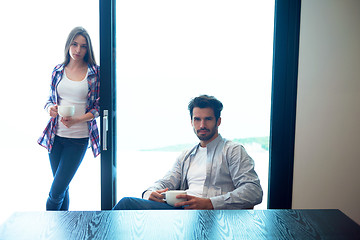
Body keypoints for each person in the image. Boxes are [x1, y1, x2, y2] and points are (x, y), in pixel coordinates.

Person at [113, 95, 263, 210]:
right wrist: (149, 193)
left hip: (216, 216)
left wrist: (210, 203)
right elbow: (166, 182)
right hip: (182, 213)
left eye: (208, 119)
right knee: (128, 206)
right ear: (191, 121)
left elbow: (253, 191)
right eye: (197, 119)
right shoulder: (186, 156)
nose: (202, 125)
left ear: (218, 121)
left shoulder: (233, 150)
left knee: (127, 204)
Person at [38, 27, 100, 211]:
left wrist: (78, 120)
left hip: (78, 140)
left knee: (56, 192)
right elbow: (49, 99)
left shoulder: (95, 73)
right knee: (63, 188)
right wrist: (51, 108)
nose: (78, 50)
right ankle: (63, 232)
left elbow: (98, 107)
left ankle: (47, 228)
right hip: (55, 137)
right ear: (68, 45)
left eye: (83, 46)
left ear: (88, 49)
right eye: (74, 44)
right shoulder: (58, 70)